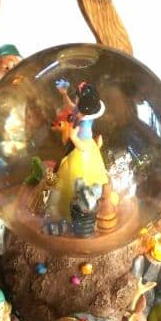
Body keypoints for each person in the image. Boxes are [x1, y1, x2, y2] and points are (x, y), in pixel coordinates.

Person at [49, 80, 109, 219]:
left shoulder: (85, 122)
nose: (75, 99)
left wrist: (73, 137)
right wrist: (64, 94)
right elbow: (69, 106)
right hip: (75, 145)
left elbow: (83, 147)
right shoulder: (79, 110)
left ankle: (79, 206)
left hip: (83, 149)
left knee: (75, 175)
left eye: (77, 97)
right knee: (62, 165)